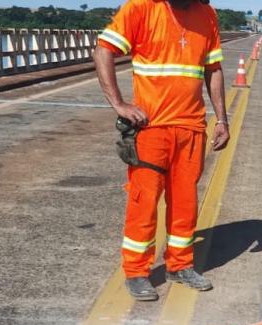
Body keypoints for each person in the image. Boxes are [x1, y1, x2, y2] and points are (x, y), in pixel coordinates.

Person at [94, 0, 230, 301]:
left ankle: (179, 265)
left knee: (185, 203)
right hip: (151, 128)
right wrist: (119, 104)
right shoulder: (140, 8)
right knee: (144, 203)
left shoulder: (206, 14)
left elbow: (213, 68)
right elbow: (104, 49)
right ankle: (137, 272)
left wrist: (221, 119)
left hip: (191, 128)